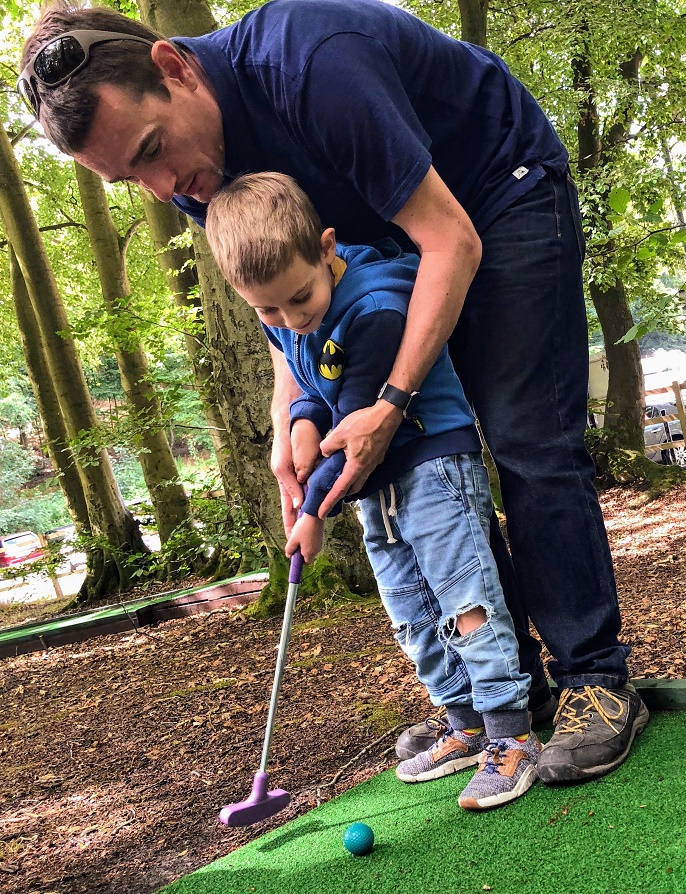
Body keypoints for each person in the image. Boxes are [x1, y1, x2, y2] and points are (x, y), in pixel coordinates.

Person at [19, 0, 649, 785]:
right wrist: (292, 417)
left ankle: (593, 680)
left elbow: (450, 237)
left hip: (493, 191)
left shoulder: (313, 66)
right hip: (379, 245)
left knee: (524, 432)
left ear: (175, 68)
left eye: (151, 149)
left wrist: (388, 402)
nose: (162, 186)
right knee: (430, 466)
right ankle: (509, 701)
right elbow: (286, 308)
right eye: (127, 179)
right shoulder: (191, 174)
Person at [205, 171, 542, 809]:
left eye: (298, 300)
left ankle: (512, 735)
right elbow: (312, 382)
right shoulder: (289, 314)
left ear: (329, 248)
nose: (288, 321)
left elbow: (359, 433)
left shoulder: (377, 312)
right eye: (266, 311)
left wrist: (311, 513)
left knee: (465, 603)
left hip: (429, 467)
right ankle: (465, 725)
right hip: (376, 492)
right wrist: (302, 421)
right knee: (413, 615)